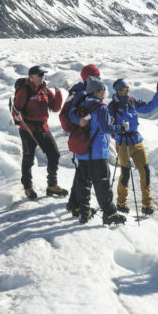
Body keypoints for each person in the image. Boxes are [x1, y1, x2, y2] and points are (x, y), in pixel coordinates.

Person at [69, 76, 127, 226]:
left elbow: (73, 117)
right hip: (97, 152)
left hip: (82, 153)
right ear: (96, 91)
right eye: (103, 89)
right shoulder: (101, 107)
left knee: (84, 184)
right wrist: (121, 127)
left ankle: (84, 212)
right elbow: (106, 129)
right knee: (102, 185)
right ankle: (109, 213)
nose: (104, 92)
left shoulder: (82, 105)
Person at [108, 78, 158, 215]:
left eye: (127, 89)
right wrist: (119, 128)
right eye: (123, 89)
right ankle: (121, 202)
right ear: (118, 90)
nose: (126, 91)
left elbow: (149, 107)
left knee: (145, 171)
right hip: (122, 142)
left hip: (136, 140)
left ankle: (147, 204)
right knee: (125, 173)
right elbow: (108, 125)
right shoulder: (112, 106)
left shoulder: (132, 101)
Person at [12, 65, 68, 199]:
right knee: (28, 158)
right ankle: (28, 187)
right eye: (40, 74)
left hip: (43, 128)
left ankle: (52, 185)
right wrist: (16, 116)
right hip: (27, 129)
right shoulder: (24, 90)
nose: (43, 77)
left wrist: (59, 93)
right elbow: (16, 108)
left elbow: (55, 108)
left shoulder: (45, 90)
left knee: (54, 154)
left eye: (43, 74)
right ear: (31, 77)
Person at [65, 64, 100, 217]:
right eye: (96, 75)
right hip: (83, 136)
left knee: (81, 173)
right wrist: (79, 121)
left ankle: (74, 204)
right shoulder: (81, 93)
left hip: (87, 136)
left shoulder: (86, 90)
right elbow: (72, 113)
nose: (99, 78)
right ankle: (79, 207)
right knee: (84, 174)